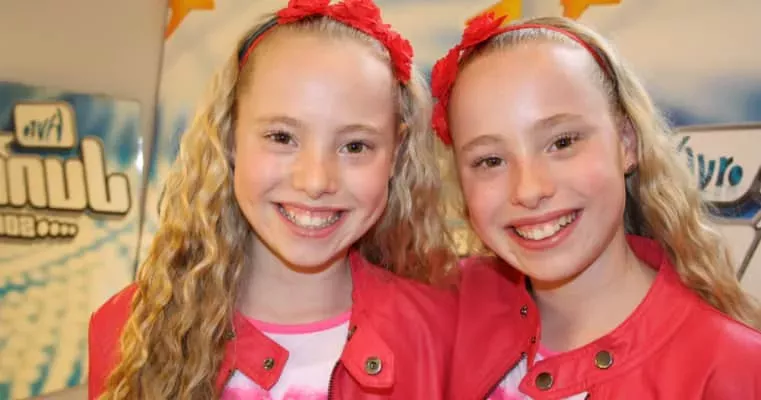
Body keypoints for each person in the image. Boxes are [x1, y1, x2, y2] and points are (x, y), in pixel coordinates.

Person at [88, 0, 458, 398]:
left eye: (355, 146)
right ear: (230, 137)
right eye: (282, 137)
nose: (315, 181)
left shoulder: (446, 338)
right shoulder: (130, 329)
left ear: (396, 155)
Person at [431, 13, 761, 399]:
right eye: (490, 161)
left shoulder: (732, 369)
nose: (529, 189)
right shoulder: (440, 315)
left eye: (562, 143)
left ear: (626, 142)